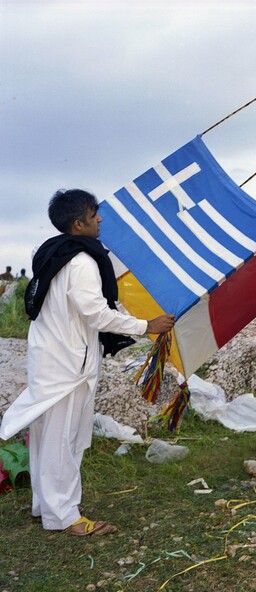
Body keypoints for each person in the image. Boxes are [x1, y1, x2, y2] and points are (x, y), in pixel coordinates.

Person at [0, 189, 175, 537]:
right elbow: (96, 314)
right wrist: (146, 326)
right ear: (78, 223)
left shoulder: (56, 254)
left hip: (54, 359)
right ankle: (65, 517)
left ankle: (47, 507)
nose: (100, 220)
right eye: (94, 215)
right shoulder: (80, 262)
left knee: (50, 437)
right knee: (62, 440)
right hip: (66, 365)